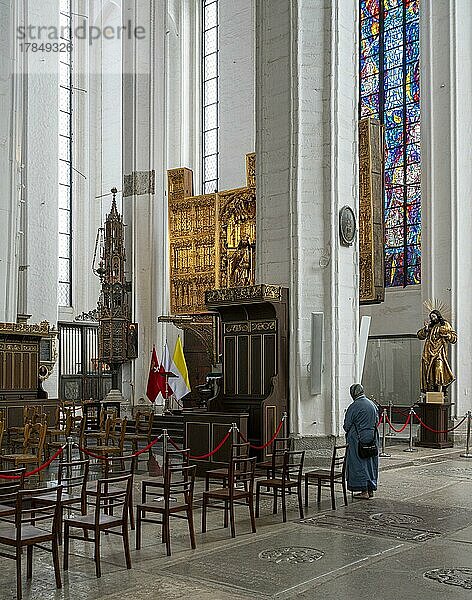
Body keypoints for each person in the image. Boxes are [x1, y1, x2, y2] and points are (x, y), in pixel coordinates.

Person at [343, 383, 379, 499]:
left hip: (357, 440)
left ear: (353, 393)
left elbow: (347, 425)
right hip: (372, 439)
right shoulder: (372, 404)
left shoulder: (354, 406)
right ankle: (371, 488)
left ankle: (364, 491)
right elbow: (377, 421)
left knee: (359, 464)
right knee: (370, 463)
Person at [417, 310, 457, 393]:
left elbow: (454, 337)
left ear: (438, 316)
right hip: (429, 351)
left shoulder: (445, 324)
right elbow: (420, 335)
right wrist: (426, 329)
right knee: (429, 370)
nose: (433, 318)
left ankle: (441, 390)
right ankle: (432, 390)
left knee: (439, 369)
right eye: (431, 317)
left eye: (434, 316)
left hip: (439, 351)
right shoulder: (430, 326)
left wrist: (447, 335)